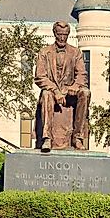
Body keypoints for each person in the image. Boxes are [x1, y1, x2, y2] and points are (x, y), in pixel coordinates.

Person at [34, 21, 91, 152]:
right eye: (59, 34)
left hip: (70, 94)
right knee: (46, 94)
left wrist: (74, 87)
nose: (62, 38)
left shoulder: (75, 53)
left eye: (65, 35)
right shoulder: (44, 53)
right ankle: (47, 138)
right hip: (52, 94)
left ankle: (78, 137)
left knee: (85, 93)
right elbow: (40, 76)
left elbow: (82, 75)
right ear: (55, 34)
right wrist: (55, 90)